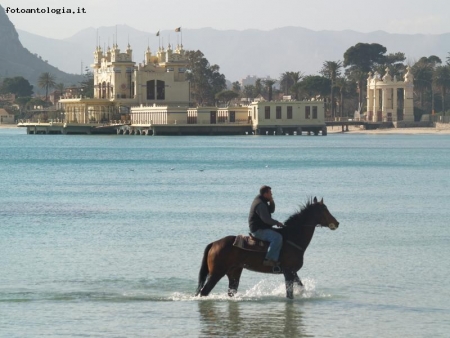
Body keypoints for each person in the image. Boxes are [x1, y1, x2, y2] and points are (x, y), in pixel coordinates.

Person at [248, 185, 284, 267]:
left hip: (263, 227)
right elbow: (266, 220)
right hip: (258, 230)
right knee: (277, 238)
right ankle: (269, 259)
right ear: (265, 194)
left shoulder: (262, 200)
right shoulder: (260, 204)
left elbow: (271, 210)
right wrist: (277, 223)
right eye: (270, 193)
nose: (271, 194)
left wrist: (271, 200)